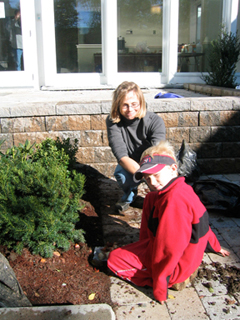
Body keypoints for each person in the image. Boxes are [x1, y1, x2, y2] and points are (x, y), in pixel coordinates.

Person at [107, 140, 230, 304]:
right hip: (174, 252)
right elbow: (202, 223)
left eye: (156, 175)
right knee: (150, 198)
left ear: (173, 169)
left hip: (176, 267)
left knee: (114, 259)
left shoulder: (173, 202)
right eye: (147, 178)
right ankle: (146, 250)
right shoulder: (183, 189)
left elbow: (168, 250)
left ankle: (171, 281)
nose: (152, 182)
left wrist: (160, 289)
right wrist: (215, 245)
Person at [106, 81, 165, 212]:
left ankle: (160, 199)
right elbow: (121, 156)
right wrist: (144, 177)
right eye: (125, 105)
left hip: (152, 162)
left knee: (160, 186)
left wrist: (151, 178)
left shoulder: (155, 121)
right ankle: (130, 195)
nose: (130, 109)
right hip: (130, 161)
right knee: (121, 174)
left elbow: (158, 153)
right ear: (117, 105)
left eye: (134, 104)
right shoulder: (113, 122)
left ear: (141, 103)